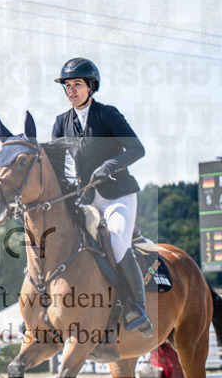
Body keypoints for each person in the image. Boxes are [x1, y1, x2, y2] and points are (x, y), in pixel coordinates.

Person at [49, 57, 153, 338]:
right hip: (85, 198)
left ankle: (137, 307)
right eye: (67, 86)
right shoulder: (61, 123)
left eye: (77, 85)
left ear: (91, 87)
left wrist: (110, 165)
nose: (71, 90)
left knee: (117, 243)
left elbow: (137, 150)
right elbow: (56, 169)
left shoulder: (108, 115)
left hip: (117, 194)